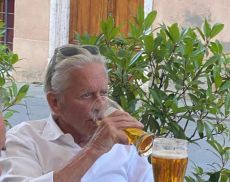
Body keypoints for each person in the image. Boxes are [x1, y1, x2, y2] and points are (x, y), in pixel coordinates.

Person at [0, 44, 153, 181]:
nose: (100, 104)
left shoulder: (122, 142)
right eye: (86, 95)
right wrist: (94, 149)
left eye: (104, 93)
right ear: (55, 102)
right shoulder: (26, 139)